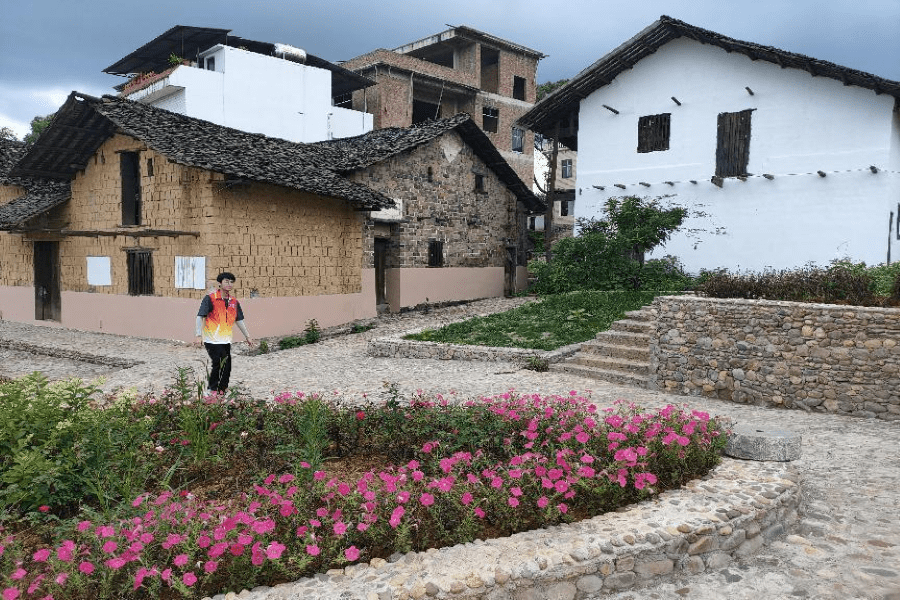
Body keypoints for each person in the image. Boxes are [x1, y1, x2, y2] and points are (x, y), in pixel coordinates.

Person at [194, 272, 253, 392]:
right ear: (220, 283)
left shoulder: (234, 302)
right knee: (218, 363)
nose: (229, 284)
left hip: (226, 340)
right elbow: (200, 316)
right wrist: (198, 335)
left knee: (227, 366)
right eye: (227, 281)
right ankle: (212, 389)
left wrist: (247, 336)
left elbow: (239, 320)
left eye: (231, 282)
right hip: (211, 340)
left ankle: (222, 389)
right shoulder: (210, 298)